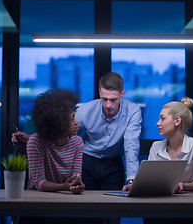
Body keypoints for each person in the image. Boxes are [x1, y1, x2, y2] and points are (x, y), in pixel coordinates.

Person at [12, 72, 142, 191]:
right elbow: (61, 131)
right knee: (86, 208)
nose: (108, 105)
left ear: (122, 94)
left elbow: (131, 146)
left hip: (114, 164)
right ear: (99, 93)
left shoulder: (133, 111)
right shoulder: (85, 110)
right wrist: (32, 138)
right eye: (104, 99)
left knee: (112, 211)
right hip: (87, 162)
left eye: (113, 100)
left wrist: (132, 180)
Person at [123, 97, 193, 193]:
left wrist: (184, 185)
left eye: (162, 118)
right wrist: (135, 187)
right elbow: (150, 181)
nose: (157, 123)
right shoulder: (156, 147)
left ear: (177, 121)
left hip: (189, 202)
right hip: (160, 201)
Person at [26, 89, 85, 194]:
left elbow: (75, 176)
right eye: (72, 118)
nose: (77, 122)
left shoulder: (77, 142)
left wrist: (76, 184)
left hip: (65, 199)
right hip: (36, 199)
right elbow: (38, 182)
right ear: (59, 122)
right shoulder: (35, 142)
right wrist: (63, 186)